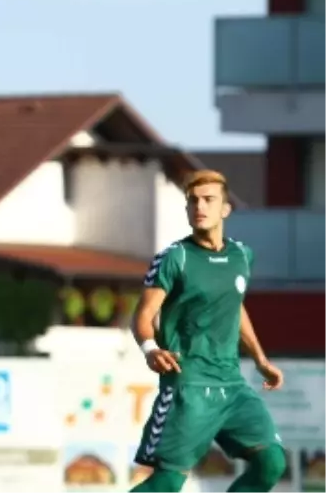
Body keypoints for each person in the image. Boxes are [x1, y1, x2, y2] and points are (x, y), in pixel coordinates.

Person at [129, 170, 286, 493]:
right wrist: (150, 350)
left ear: (225, 209)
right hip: (189, 386)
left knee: (272, 463)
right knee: (168, 483)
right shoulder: (175, 258)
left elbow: (234, 306)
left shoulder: (242, 256)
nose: (199, 207)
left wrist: (259, 359)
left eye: (208, 200)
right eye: (193, 201)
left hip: (232, 385)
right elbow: (142, 316)